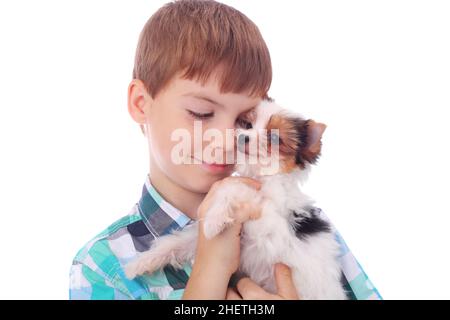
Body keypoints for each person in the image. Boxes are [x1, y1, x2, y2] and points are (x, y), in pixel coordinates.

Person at [69, 0, 381, 300]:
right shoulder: (101, 266)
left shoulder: (311, 229)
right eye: (202, 113)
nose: (229, 138)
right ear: (141, 104)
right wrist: (211, 265)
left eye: (245, 121)